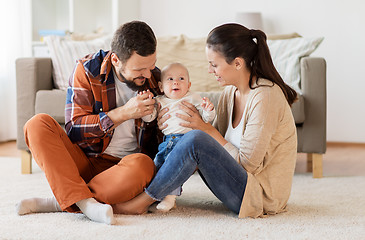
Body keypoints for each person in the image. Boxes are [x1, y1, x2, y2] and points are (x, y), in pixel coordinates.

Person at [111, 23, 298, 219]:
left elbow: (248, 164)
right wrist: (176, 123)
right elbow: (212, 148)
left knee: (196, 138)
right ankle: (157, 194)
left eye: (214, 64)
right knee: (191, 138)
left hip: (258, 197)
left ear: (237, 63)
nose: (210, 70)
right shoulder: (230, 92)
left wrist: (205, 129)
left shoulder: (264, 96)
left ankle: (142, 202)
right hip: (238, 184)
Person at [15, 21, 162, 225]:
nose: (147, 74)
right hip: (84, 161)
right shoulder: (87, 69)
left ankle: (63, 200)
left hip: (124, 170)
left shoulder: (157, 80)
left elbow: (164, 141)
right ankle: (85, 201)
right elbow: (74, 129)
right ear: (116, 59)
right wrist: (124, 113)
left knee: (144, 165)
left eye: (151, 65)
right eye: (140, 69)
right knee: (37, 124)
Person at [141, 62, 215, 212]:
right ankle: (157, 194)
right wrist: (146, 106)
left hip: (186, 141)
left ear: (188, 85)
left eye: (181, 79)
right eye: (170, 79)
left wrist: (208, 110)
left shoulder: (193, 98)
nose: (176, 82)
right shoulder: (159, 100)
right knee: (158, 166)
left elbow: (207, 119)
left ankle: (170, 197)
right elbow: (149, 118)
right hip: (166, 142)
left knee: (174, 167)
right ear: (161, 87)